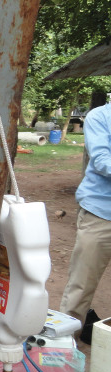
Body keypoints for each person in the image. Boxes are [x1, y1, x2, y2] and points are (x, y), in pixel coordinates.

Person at [61, 100, 111, 342]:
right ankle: (64, 344)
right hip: (101, 214)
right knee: (81, 286)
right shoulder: (100, 116)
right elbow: (101, 160)